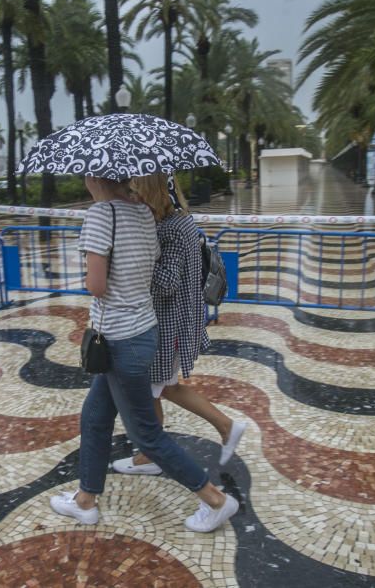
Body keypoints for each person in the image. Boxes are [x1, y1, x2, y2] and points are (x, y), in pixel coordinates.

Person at [49, 175, 239, 533]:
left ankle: (215, 499)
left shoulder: (101, 214)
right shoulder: (142, 213)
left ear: (95, 176)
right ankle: (85, 501)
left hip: (119, 339)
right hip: (142, 330)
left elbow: (97, 285)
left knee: (147, 434)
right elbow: (148, 268)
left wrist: (92, 269)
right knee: (94, 417)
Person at [111, 173, 247, 477]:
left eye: (135, 190)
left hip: (169, 324)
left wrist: (138, 260)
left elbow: (167, 282)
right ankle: (225, 427)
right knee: (166, 388)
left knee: (151, 391)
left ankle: (153, 454)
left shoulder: (170, 228)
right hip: (180, 319)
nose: (131, 196)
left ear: (147, 191)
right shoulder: (182, 219)